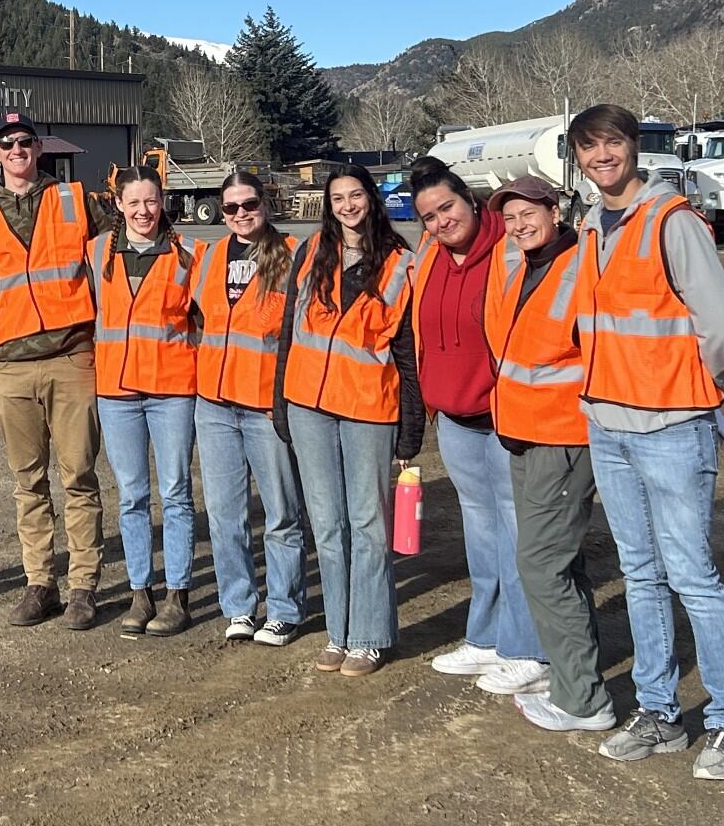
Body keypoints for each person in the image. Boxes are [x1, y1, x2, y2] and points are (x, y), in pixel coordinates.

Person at [567, 103, 724, 782]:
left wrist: (695, 388)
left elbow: (720, 325)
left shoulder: (671, 221)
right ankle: (658, 712)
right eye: (588, 148)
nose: (602, 157)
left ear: (632, 148)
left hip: (671, 426)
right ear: (578, 159)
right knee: (641, 574)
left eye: (611, 144)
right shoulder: (591, 225)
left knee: (692, 577)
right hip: (608, 423)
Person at [0, 112, 119, 630]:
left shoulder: (77, 201)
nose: (17, 150)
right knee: (28, 483)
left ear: (39, 148)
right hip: (11, 367)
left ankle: (83, 588)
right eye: (7, 143)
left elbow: (123, 254)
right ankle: (40, 584)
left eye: (26, 141)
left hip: (72, 358)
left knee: (79, 478)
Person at [272, 164, 423, 675]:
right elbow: (289, 332)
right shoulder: (311, 252)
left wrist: (410, 428)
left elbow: (407, 351)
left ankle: (369, 636)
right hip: (309, 407)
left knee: (368, 524)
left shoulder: (401, 263)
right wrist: (281, 402)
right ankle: (338, 632)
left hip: (368, 410)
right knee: (328, 525)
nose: (347, 206)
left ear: (370, 198)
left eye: (355, 195)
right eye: (338, 198)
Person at [405, 159, 547, 692]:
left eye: (447, 207)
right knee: (481, 532)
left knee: (517, 533)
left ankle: (527, 647)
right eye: (429, 216)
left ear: (469, 199)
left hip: (503, 416)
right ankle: (486, 637)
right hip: (456, 420)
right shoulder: (430, 254)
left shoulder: (509, 250)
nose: (442, 221)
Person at [483, 174, 617, 736]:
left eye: (529, 214)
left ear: (555, 211)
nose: (519, 225)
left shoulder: (581, 265)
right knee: (562, 563)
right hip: (524, 431)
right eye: (510, 217)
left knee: (541, 565)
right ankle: (571, 677)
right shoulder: (523, 266)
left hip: (563, 437)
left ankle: (584, 701)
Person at [188, 169, 307, 646]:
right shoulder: (210, 256)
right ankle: (238, 606)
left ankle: (284, 609)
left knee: (281, 513)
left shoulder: (294, 254)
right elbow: (197, 318)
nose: (241, 214)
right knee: (224, 514)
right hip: (215, 405)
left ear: (266, 204)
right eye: (231, 207)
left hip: (265, 407)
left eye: (250, 204)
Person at [88, 167, 201, 638]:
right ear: (118, 203)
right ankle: (141, 592)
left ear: (163, 200)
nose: (143, 211)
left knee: (175, 493)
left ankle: (177, 595)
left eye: (151, 201)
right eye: (133, 202)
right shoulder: (97, 252)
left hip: (172, 390)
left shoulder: (190, 254)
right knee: (132, 496)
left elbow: (210, 322)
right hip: (117, 394)